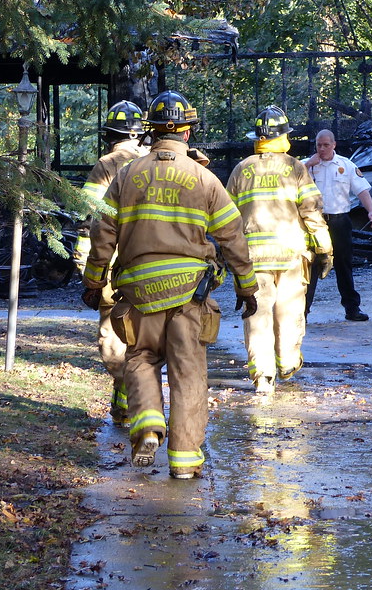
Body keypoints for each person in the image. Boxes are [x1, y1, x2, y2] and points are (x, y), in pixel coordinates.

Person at [82, 89, 259, 480]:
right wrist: (247, 288)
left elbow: (102, 232)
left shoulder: (126, 175)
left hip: (139, 292)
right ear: (187, 132)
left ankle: (147, 426)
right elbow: (233, 238)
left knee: (141, 358)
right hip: (189, 295)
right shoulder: (204, 178)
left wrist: (94, 281)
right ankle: (183, 462)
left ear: (152, 131)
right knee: (188, 371)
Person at [227, 106, 332, 395]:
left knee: (256, 314)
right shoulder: (296, 168)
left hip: (253, 258)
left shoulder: (241, 169)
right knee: (289, 311)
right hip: (290, 255)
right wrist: (325, 249)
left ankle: (263, 377)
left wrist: (228, 255)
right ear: (285, 135)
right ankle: (286, 362)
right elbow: (311, 211)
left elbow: (227, 218)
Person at [73, 100, 148, 424]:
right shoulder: (155, 162)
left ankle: (130, 395)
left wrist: (85, 266)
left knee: (113, 339)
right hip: (152, 267)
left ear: (110, 135)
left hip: (114, 269)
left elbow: (89, 216)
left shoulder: (107, 164)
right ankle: (126, 400)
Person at [302, 129, 372, 322]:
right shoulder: (305, 165)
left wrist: (371, 211)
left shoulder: (346, 165)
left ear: (334, 145)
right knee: (310, 266)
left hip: (339, 220)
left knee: (344, 264)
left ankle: (352, 308)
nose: (322, 149)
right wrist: (309, 164)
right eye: (319, 145)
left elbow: (362, 191)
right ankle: (302, 312)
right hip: (314, 222)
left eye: (326, 145)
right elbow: (289, 181)